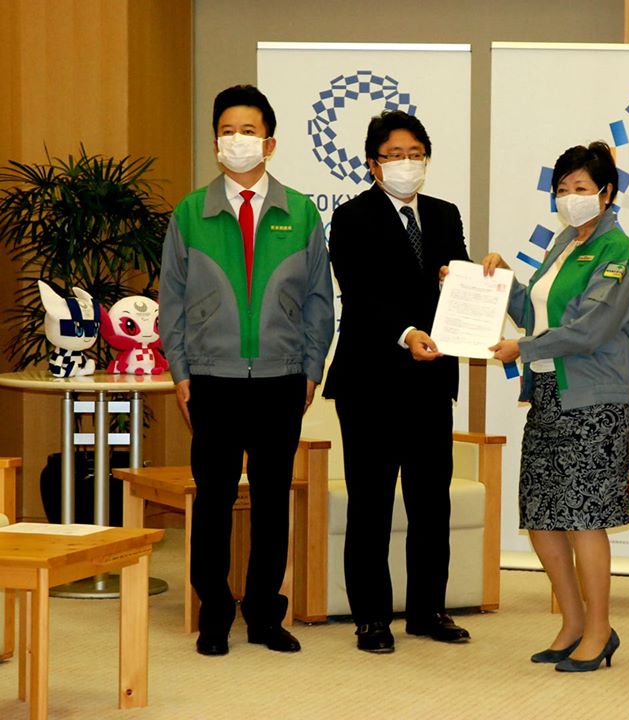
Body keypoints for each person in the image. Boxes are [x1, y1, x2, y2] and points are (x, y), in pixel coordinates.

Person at [159, 84, 334, 657]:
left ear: (271, 141)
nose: (239, 140)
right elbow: (173, 301)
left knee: (270, 498)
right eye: (229, 130)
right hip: (211, 378)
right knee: (211, 499)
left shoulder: (301, 212)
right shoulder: (191, 212)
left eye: (249, 130)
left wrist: (311, 368)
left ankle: (263, 614)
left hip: (282, 379)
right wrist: (181, 372)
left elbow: (317, 300)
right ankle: (214, 613)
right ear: (216, 142)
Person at [483, 142, 629, 672]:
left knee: (585, 516)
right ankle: (572, 621)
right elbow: (537, 312)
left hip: (596, 397)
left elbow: (592, 328)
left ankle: (599, 630)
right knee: (544, 515)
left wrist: (524, 349)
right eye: (562, 189)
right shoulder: (562, 242)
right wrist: (497, 281)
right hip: (551, 394)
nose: (570, 198)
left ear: (607, 193)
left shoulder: (617, 250)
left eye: (581, 189)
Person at [322, 110, 471, 654]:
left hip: (432, 379)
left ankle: (429, 609)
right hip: (372, 380)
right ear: (372, 164)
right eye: (394, 155)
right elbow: (361, 292)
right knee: (372, 501)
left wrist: (478, 274)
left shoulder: (444, 213)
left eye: (415, 154)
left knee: (432, 500)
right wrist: (407, 331)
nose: (406, 164)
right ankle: (372, 617)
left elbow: (456, 280)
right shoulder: (352, 217)